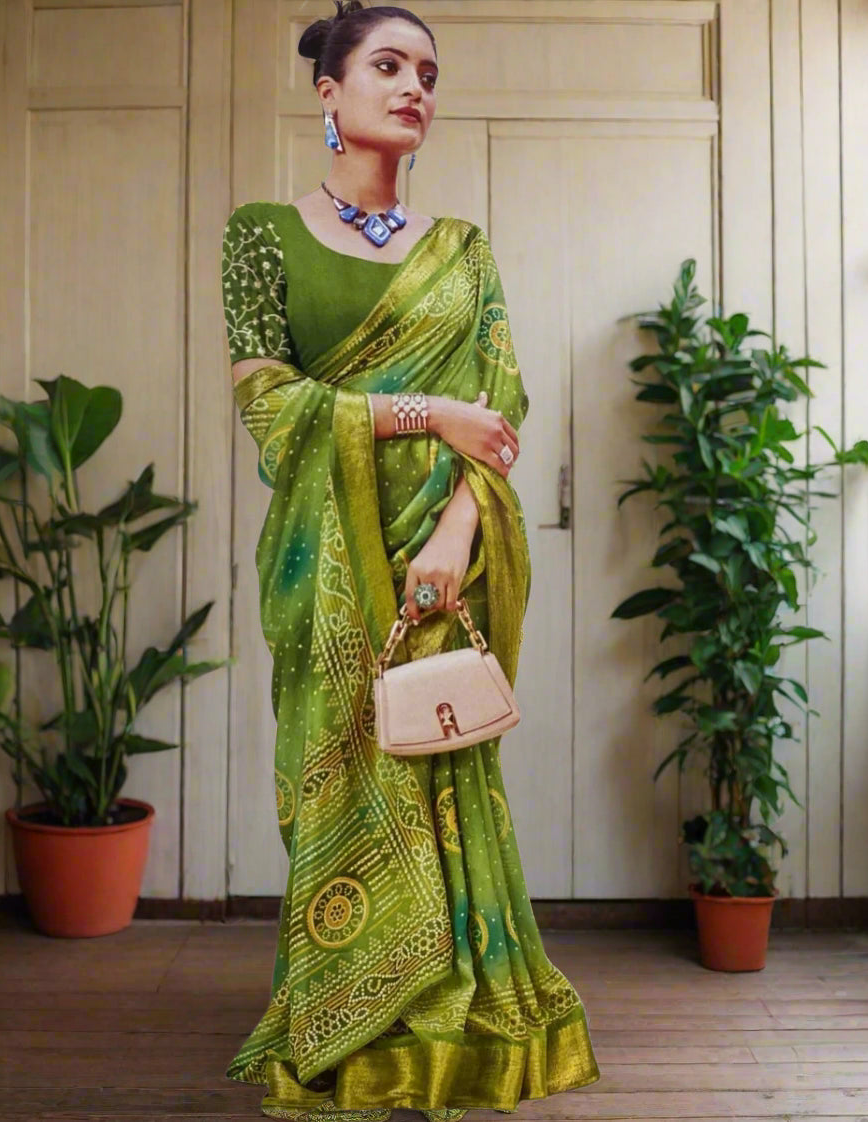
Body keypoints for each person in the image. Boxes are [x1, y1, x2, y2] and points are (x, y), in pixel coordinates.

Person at [220, 3, 600, 1119]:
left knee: (442, 770)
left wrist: (453, 533)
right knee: (337, 777)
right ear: (326, 92)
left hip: (442, 555)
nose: (413, 87)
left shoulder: (463, 252)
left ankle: (446, 1012)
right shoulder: (260, 233)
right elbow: (268, 403)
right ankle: (345, 1020)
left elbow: (502, 411)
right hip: (325, 568)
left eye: (427, 71)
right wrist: (423, 408)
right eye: (386, 65)